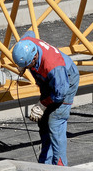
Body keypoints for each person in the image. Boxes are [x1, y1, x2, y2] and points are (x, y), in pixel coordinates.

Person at [12, 31, 79, 166]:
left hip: (66, 81)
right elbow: (29, 33)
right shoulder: (27, 43)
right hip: (48, 80)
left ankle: (60, 167)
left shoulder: (54, 66)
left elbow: (60, 93)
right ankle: (45, 165)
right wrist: (22, 66)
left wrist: (42, 105)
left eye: (27, 65)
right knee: (43, 122)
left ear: (34, 58)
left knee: (55, 121)